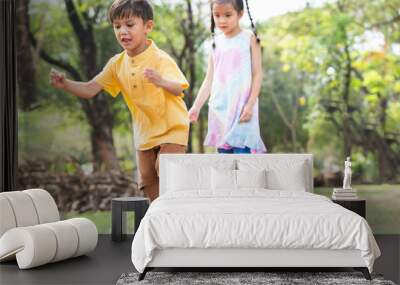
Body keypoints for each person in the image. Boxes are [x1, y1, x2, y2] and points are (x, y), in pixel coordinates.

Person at [49, 0, 190, 202]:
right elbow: (90, 89)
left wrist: (161, 81)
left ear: (148, 26)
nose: (122, 31)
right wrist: (65, 84)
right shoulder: (117, 64)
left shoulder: (160, 58)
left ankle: (179, 216)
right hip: (145, 134)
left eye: (130, 25)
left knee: (168, 171)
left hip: (172, 128)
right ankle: (160, 221)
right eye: (117, 26)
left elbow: (179, 88)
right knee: (149, 181)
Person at [188, 0, 266, 154]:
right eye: (217, 15)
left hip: (243, 108)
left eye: (228, 15)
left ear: (240, 14)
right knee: (225, 164)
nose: (221, 20)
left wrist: (250, 104)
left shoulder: (250, 38)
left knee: (244, 161)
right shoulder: (215, 43)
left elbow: (257, 74)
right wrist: (196, 106)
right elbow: (209, 79)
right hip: (220, 110)